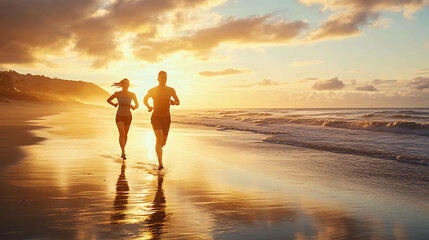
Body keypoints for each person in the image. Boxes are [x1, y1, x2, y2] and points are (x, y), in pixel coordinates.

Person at [143, 71, 180, 171]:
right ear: (158, 79)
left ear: (166, 79)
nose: (163, 79)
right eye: (161, 78)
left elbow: (178, 101)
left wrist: (174, 102)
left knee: (163, 143)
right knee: (159, 138)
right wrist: (149, 106)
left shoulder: (171, 90)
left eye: (165, 78)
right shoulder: (153, 90)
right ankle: (160, 163)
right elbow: (145, 99)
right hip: (156, 117)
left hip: (167, 119)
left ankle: (158, 152)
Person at [107, 78, 139, 159]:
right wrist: (114, 104)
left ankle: (123, 149)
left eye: (127, 84)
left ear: (128, 85)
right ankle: (123, 152)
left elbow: (137, 105)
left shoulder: (132, 94)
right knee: (122, 133)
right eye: (124, 83)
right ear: (121, 85)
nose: (125, 85)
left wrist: (133, 107)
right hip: (119, 116)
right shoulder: (117, 94)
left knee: (125, 135)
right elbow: (108, 100)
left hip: (128, 116)